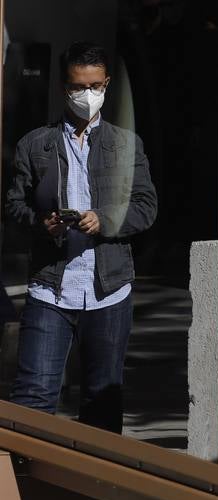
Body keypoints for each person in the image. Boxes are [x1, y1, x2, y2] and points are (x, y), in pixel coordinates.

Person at [4, 41, 157, 434]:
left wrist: (102, 220)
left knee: (102, 402)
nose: (86, 96)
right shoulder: (35, 144)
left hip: (108, 290)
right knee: (33, 398)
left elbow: (144, 206)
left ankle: (95, 492)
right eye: (77, 87)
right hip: (50, 289)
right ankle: (18, 487)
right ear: (64, 88)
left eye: (94, 86)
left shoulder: (125, 144)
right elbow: (13, 208)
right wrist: (43, 223)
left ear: (105, 84)